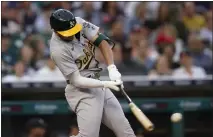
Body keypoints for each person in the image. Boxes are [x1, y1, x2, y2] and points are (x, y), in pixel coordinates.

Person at [49, 9, 136, 137]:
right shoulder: (57, 50)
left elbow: (102, 42)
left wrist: (112, 68)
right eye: (68, 33)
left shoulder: (77, 23)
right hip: (81, 91)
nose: (72, 34)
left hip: (98, 84)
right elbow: (77, 80)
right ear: (56, 30)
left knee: (125, 131)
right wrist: (106, 84)